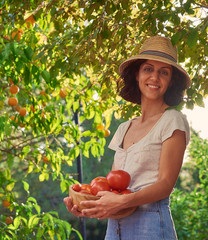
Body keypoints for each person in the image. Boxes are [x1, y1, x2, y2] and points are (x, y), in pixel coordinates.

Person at [64, 36, 191, 239]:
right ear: (137, 74)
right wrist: (90, 206)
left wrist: (121, 202)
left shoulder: (173, 120)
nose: (155, 78)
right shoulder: (124, 127)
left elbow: (166, 184)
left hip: (151, 224)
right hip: (115, 226)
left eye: (164, 72)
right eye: (148, 69)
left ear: (171, 81)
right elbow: (115, 188)